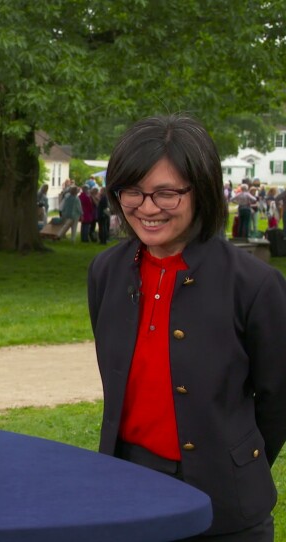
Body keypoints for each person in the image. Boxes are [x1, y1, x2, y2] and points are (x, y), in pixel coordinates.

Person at [88, 114, 286, 541]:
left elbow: (277, 399)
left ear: (203, 190)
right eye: (133, 191)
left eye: (166, 193)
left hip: (228, 505)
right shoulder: (106, 271)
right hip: (129, 487)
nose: (147, 207)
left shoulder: (255, 285)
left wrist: (236, 464)